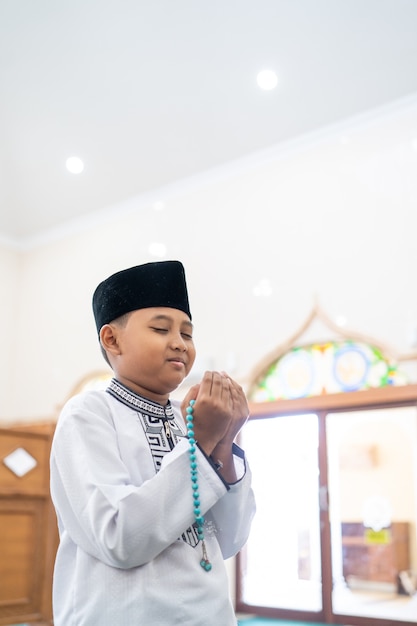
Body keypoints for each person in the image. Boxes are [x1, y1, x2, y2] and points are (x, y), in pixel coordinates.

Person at [50, 260, 255, 626]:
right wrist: (202, 441)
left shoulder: (186, 416)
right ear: (111, 339)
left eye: (188, 334)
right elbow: (119, 538)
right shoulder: (88, 414)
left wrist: (223, 444)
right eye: (161, 329)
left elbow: (229, 541)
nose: (179, 343)